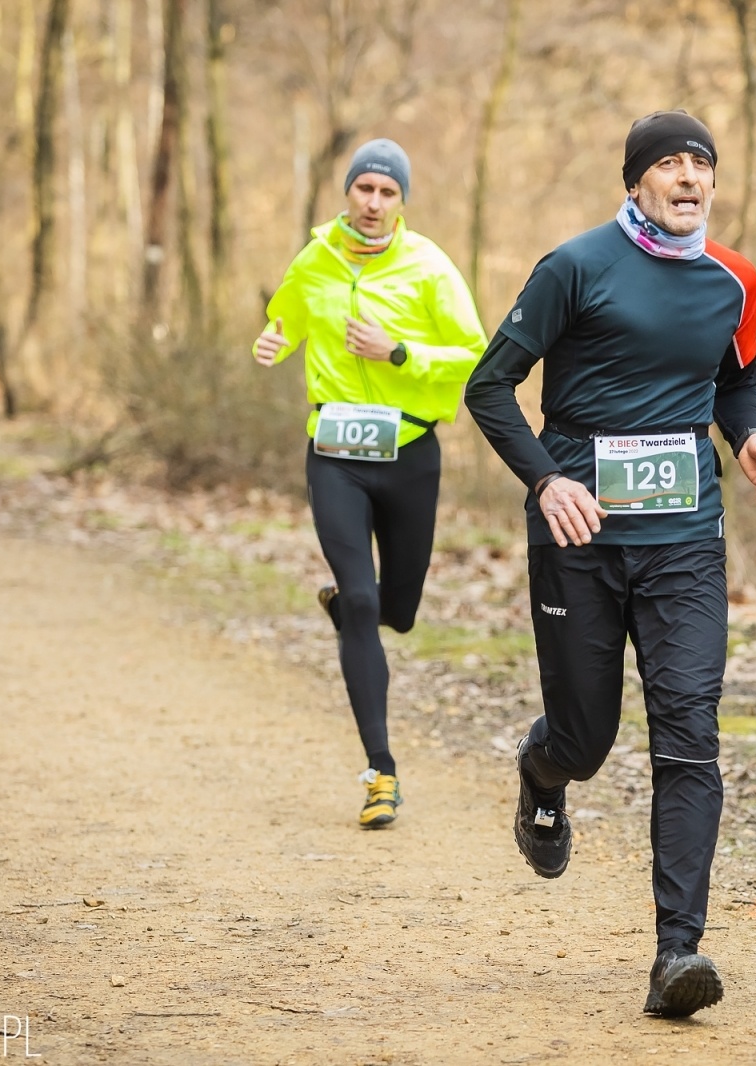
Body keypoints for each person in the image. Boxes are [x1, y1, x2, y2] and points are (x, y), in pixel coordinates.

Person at [464, 110, 756, 1017]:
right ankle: (542, 772)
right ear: (637, 181)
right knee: (587, 739)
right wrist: (543, 483)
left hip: (685, 535)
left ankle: (676, 955)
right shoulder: (576, 267)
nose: (690, 178)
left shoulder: (736, 279)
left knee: (690, 735)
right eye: (671, 164)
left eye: (704, 165)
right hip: (579, 535)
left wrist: (751, 437)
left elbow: (735, 378)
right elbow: (488, 387)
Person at [253, 138, 487, 829]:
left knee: (400, 610)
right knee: (361, 600)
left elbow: (474, 353)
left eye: (388, 192)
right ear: (348, 193)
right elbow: (289, 313)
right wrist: (272, 337)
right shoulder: (315, 256)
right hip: (334, 455)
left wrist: (399, 352)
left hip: (410, 452)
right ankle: (380, 771)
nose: (375, 202)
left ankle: (359, 608)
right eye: (365, 189)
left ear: (402, 202)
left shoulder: (429, 267)